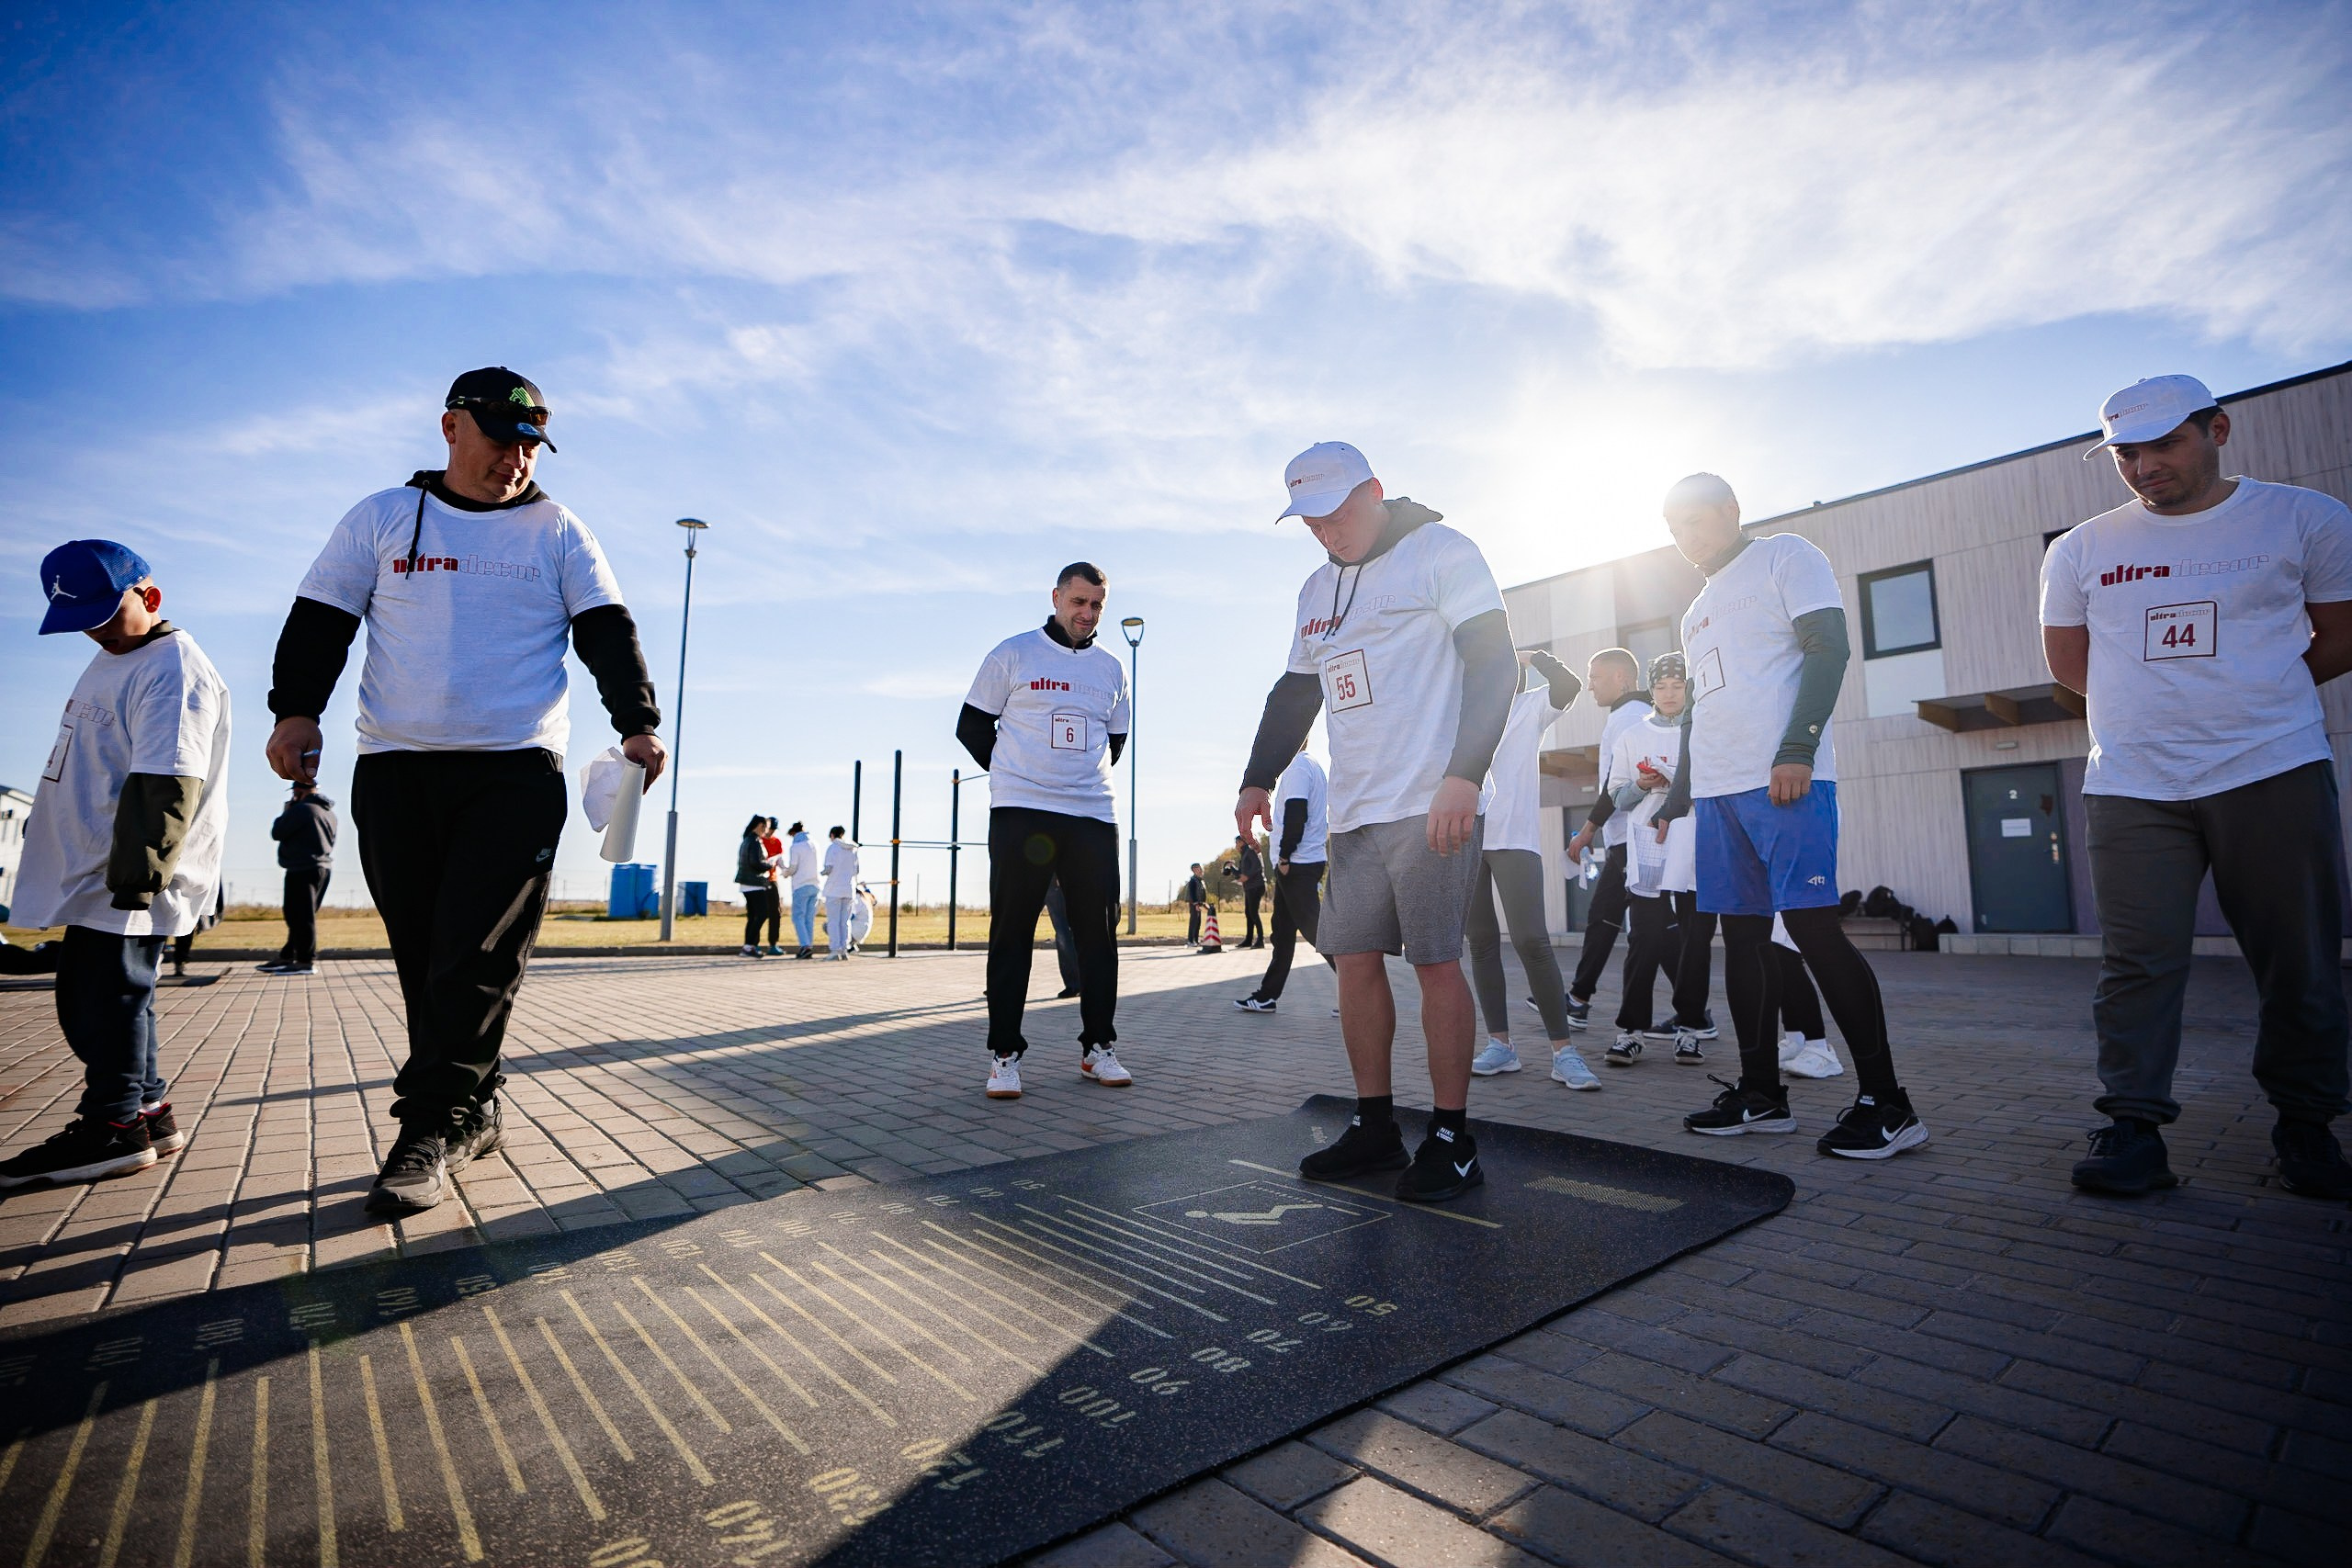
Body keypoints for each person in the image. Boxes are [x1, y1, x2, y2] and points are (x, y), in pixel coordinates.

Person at [265, 367, 665, 1214]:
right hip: (396, 767)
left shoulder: (559, 532)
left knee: (478, 956)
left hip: (514, 770)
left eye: (530, 446)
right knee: (425, 956)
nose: (515, 460)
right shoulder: (382, 517)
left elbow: (607, 633)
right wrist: (296, 711)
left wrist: (637, 723)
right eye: (501, 439)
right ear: (451, 428)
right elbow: (321, 621)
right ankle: (474, 1104)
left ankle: (430, 1123)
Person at [2043, 375, 2352, 1199]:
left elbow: (2340, 635)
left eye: (2166, 444)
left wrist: (2252, 694)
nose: (2146, 466)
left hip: (2272, 767)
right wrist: (2156, 710)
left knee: (2299, 959)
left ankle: (2307, 1124)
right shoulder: (2079, 548)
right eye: (2126, 454)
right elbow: (2070, 666)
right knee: (2136, 964)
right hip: (2132, 783)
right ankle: (2133, 1128)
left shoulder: (2305, 518)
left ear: (2217, 429)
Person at [1238, 441, 1517, 1202]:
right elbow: (1296, 692)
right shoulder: (1315, 589)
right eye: (1311, 522)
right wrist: (1257, 777)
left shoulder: (1443, 551)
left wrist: (1465, 774)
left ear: (1375, 491)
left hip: (1432, 800)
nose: (1326, 532)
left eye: (1336, 514)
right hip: (1356, 810)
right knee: (1354, 962)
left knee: (1435, 963)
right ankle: (1375, 1124)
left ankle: (1453, 1140)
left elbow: (1496, 663)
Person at [1654, 472, 1926, 1157]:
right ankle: (1761, 1094)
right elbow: (1700, 710)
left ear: (1731, 510)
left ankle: (1889, 1104)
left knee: (1810, 928)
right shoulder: (1695, 610)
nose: (1686, 536)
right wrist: (1684, 793)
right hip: (1719, 792)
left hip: (1783, 779)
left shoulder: (1785, 556)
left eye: (1695, 519)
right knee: (1743, 939)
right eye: (1674, 527)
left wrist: (1798, 747)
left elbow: (1829, 647)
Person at [0, 540, 226, 1189]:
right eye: (81, 621)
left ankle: (113, 1126)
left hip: (130, 870)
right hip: (101, 865)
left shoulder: (172, 666)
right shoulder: (118, 654)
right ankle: (148, 1111)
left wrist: (136, 879)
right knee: (108, 996)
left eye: (104, 615)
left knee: (104, 1000)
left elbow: (167, 780)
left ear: (148, 596)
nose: (95, 631)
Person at [958, 562, 1133, 1099]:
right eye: (1079, 602)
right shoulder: (1013, 654)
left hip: (1092, 815)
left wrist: (1077, 778)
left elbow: (1116, 739)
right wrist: (1016, 773)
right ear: (1056, 598)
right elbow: (971, 726)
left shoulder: (1111, 668)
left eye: (1097, 605)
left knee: (1098, 937)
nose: (1087, 613)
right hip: (1022, 811)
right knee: (1012, 933)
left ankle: (1098, 1047)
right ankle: (1004, 1055)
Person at [1467, 650, 1595, 1088]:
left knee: (1531, 941)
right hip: (1467, 839)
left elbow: (1569, 686)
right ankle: (1500, 1046)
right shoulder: (1462, 713)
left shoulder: (1530, 706)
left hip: (1515, 838)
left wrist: (1534, 657)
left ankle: (1564, 1052)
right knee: (1481, 943)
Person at [1604, 651, 1701, 1067]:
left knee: (1695, 938)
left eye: (1677, 686)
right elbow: (1617, 797)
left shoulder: (1703, 729)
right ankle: (1631, 1030)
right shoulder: (1633, 734)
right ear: (1651, 689)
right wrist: (1644, 784)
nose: (1669, 694)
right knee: (1644, 936)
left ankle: (1691, 1028)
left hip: (1694, 838)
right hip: (1648, 841)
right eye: (1661, 686)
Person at [1560, 649, 1651, 1030]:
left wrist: (1587, 831)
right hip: (1624, 839)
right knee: (1603, 918)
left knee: (1652, 928)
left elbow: (1616, 785)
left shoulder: (1629, 717)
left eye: (1595, 677)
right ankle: (1578, 999)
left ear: (1621, 679)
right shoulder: (1626, 715)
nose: (1590, 686)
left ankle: (1694, 1014)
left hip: (1633, 837)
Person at [1237, 745, 1331, 1013]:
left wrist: (1286, 855)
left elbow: (1296, 812)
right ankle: (1267, 996)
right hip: (1301, 861)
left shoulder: (1297, 768)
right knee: (1283, 932)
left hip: (1297, 863)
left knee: (1316, 931)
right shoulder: (1311, 765)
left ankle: (1357, 994)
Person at [262, 782, 337, 976]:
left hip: (302, 868)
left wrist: (286, 812)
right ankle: (287, 955)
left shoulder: (302, 809)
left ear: (298, 791)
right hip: (323, 867)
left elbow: (277, 832)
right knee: (303, 915)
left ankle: (305, 961)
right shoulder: (328, 812)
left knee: (299, 916)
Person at [737, 816, 779, 958]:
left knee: (753, 916)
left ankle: (748, 946)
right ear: (760, 826)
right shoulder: (754, 841)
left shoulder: (747, 839)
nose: (767, 831)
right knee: (762, 914)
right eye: (766, 827)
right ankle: (749, 946)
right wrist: (769, 865)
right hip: (754, 884)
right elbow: (755, 863)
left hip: (747, 883)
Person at [821, 826, 860, 959]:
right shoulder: (853, 849)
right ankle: (844, 949)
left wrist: (823, 873)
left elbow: (828, 868)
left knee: (833, 921)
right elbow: (856, 870)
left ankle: (835, 950)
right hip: (848, 889)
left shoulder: (832, 848)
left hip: (834, 889)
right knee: (845, 921)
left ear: (832, 835)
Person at [786, 821, 820, 958]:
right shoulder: (814, 844)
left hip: (801, 885)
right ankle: (808, 946)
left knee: (798, 917)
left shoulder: (796, 847)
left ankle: (805, 946)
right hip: (815, 885)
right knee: (809, 919)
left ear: (793, 833)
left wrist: (786, 873)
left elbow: (793, 867)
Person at [1233, 834, 1267, 948]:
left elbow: (1257, 866)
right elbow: (1240, 873)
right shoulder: (1244, 855)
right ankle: (1248, 940)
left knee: (1253, 912)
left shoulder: (1250, 852)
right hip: (1249, 887)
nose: (1235, 845)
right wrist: (1231, 867)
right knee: (1249, 913)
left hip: (1256, 886)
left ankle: (1260, 940)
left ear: (1242, 842)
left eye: (1236, 843)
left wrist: (1247, 876)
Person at [759, 818, 786, 953]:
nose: (771, 832)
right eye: (770, 828)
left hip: (772, 879)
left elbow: (780, 860)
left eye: (774, 829)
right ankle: (754, 943)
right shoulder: (759, 841)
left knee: (776, 912)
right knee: (760, 912)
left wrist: (786, 870)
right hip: (760, 881)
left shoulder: (777, 842)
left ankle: (773, 944)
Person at [1182, 863, 1207, 947]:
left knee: (1198, 923)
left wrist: (1203, 904)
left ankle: (1196, 940)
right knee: (1193, 922)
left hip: (1199, 904)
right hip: (1194, 904)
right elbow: (1192, 894)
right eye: (1198, 868)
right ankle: (1190, 941)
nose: (1200, 870)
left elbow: (1202, 893)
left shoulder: (1200, 880)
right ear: (1194, 870)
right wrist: (1196, 904)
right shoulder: (1193, 881)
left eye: (1200, 868)